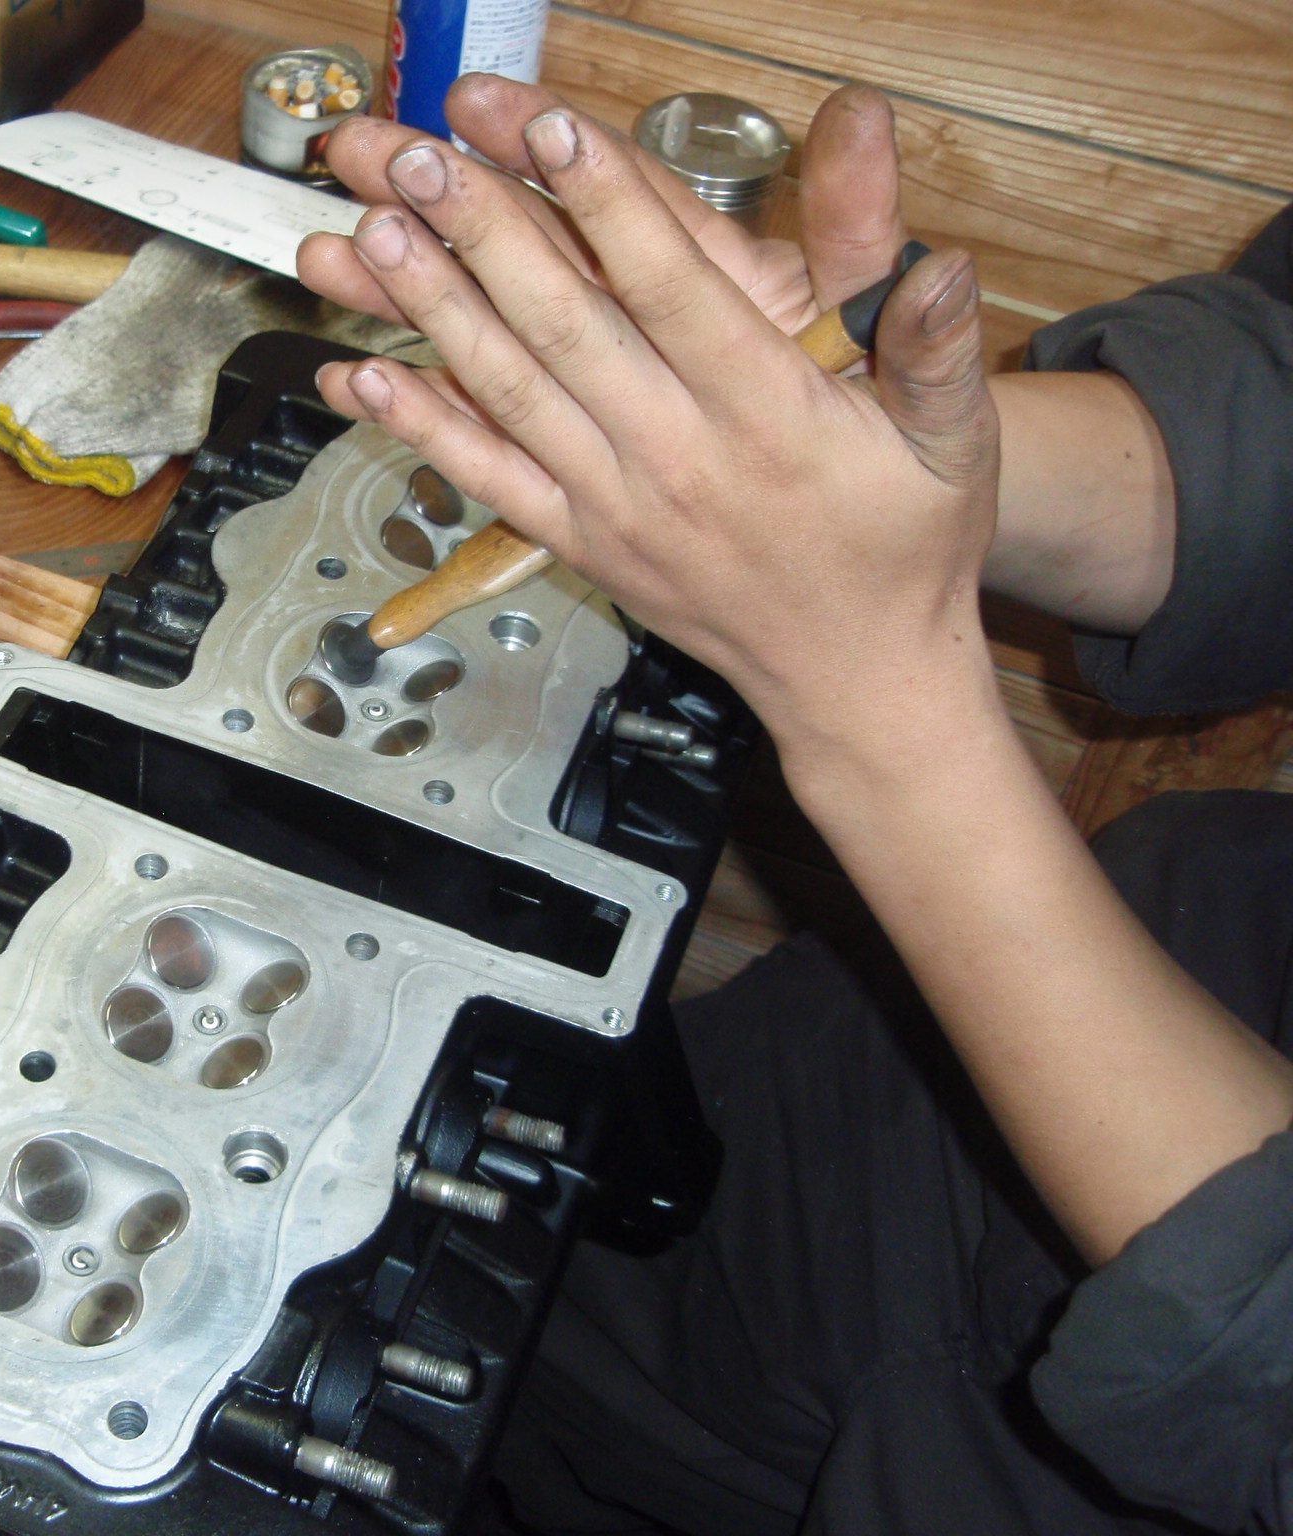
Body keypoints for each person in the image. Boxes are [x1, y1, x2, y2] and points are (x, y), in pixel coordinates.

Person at [295, 77, 1293, 1534]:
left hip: (1067, 1442)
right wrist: (866, 456)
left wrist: (881, 703)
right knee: (541, 1308)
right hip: (1047, 979)